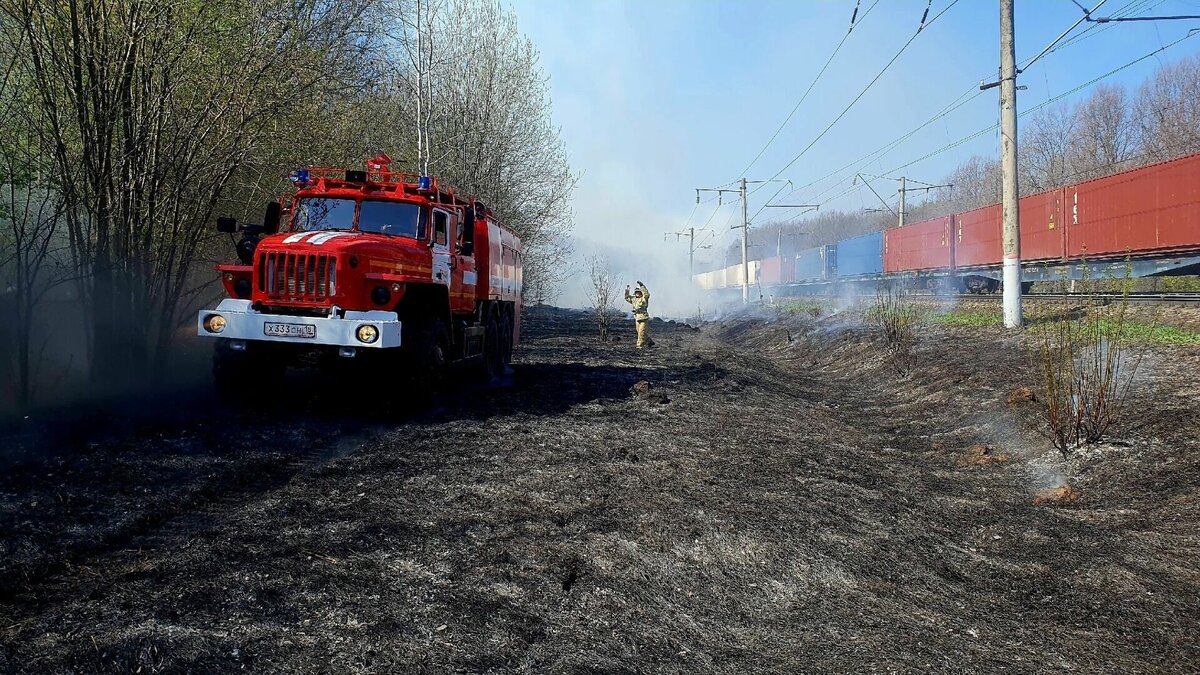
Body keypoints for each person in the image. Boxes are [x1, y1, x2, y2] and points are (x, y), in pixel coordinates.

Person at [624, 281, 653, 349]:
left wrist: (642, 286)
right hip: (637, 318)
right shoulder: (634, 299)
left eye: (638, 292)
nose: (637, 293)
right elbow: (627, 297)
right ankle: (649, 341)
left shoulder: (644, 299)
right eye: (636, 292)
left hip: (643, 318)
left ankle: (639, 346)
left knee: (641, 333)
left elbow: (647, 294)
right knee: (640, 332)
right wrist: (627, 290)